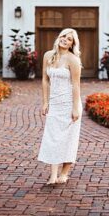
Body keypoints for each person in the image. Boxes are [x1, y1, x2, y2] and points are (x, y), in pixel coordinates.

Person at [37, 28, 83, 185]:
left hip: (69, 104)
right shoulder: (48, 56)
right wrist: (45, 102)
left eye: (69, 39)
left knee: (69, 139)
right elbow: (44, 79)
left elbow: (76, 85)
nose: (65, 39)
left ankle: (64, 172)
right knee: (53, 138)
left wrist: (76, 108)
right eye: (64, 36)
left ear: (72, 44)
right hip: (55, 104)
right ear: (59, 37)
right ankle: (52, 175)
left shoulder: (73, 60)